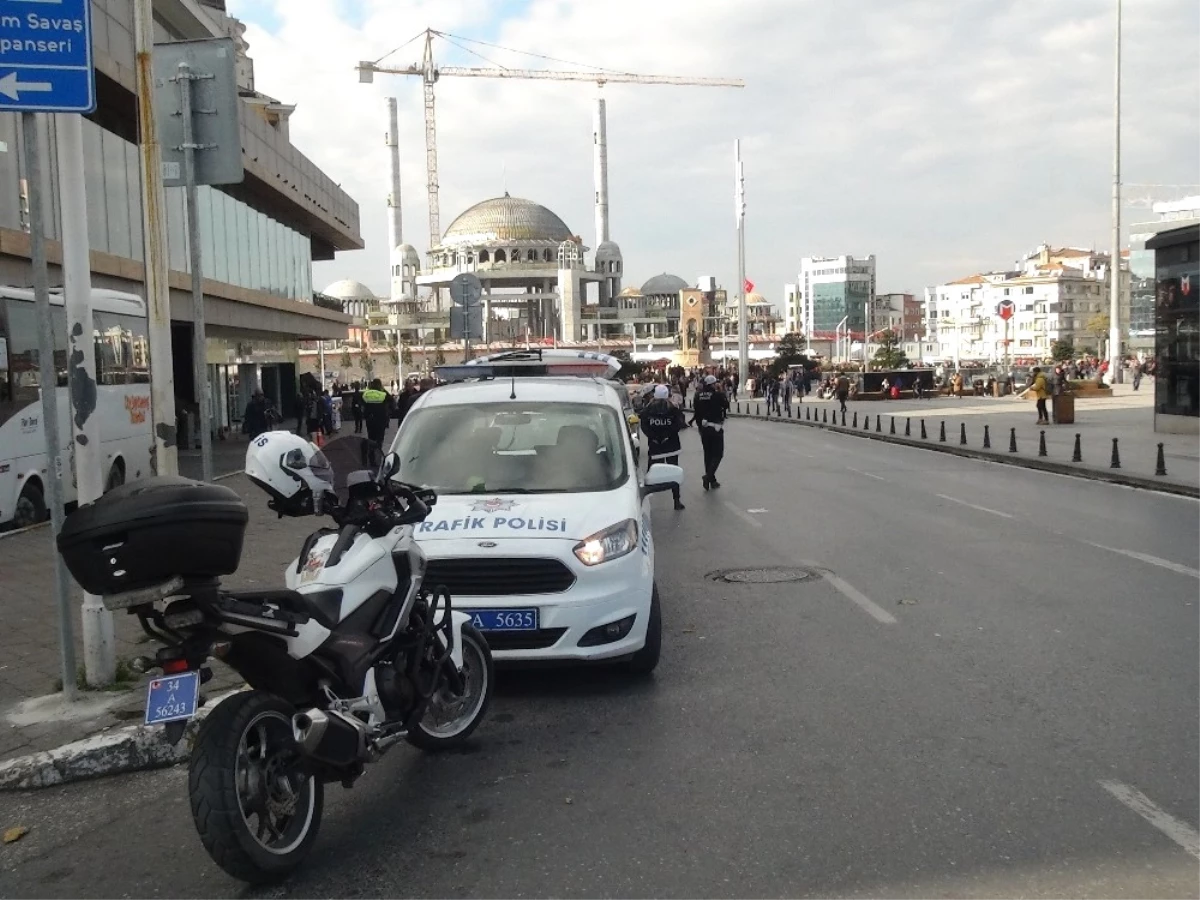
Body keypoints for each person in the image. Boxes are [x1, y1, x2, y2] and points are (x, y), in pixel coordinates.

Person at [640, 384, 688, 511]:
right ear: (667, 395)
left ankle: (645, 501)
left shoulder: (647, 410)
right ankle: (677, 501)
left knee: (651, 474)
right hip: (671, 446)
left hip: (655, 447)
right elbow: (679, 424)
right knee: (674, 473)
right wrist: (667, 436)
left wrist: (655, 437)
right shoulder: (673, 409)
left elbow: (644, 426)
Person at [690, 374, 729, 490]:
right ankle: (708, 477)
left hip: (704, 428)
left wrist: (699, 427)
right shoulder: (717, 395)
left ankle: (711, 480)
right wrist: (721, 391)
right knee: (718, 454)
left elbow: (696, 413)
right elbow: (726, 405)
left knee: (708, 455)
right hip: (715, 427)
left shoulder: (698, 395)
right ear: (713, 384)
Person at [361, 378, 393, 467]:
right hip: (381, 420)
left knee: (371, 438)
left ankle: (371, 458)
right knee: (379, 440)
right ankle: (377, 458)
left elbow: (362, 403)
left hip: (370, 420)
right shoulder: (383, 394)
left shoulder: (366, 394)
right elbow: (391, 400)